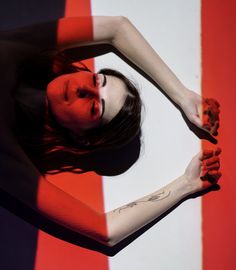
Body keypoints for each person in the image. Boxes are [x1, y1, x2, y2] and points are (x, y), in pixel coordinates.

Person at [0, 16, 221, 247]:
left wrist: (185, 184)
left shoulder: (7, 161)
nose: (84, 89)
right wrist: (183, 96)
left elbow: (105, 231)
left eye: (95, 108)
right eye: (97, 81)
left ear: (80, 136)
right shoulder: (18, 47)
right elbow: (116, 28)